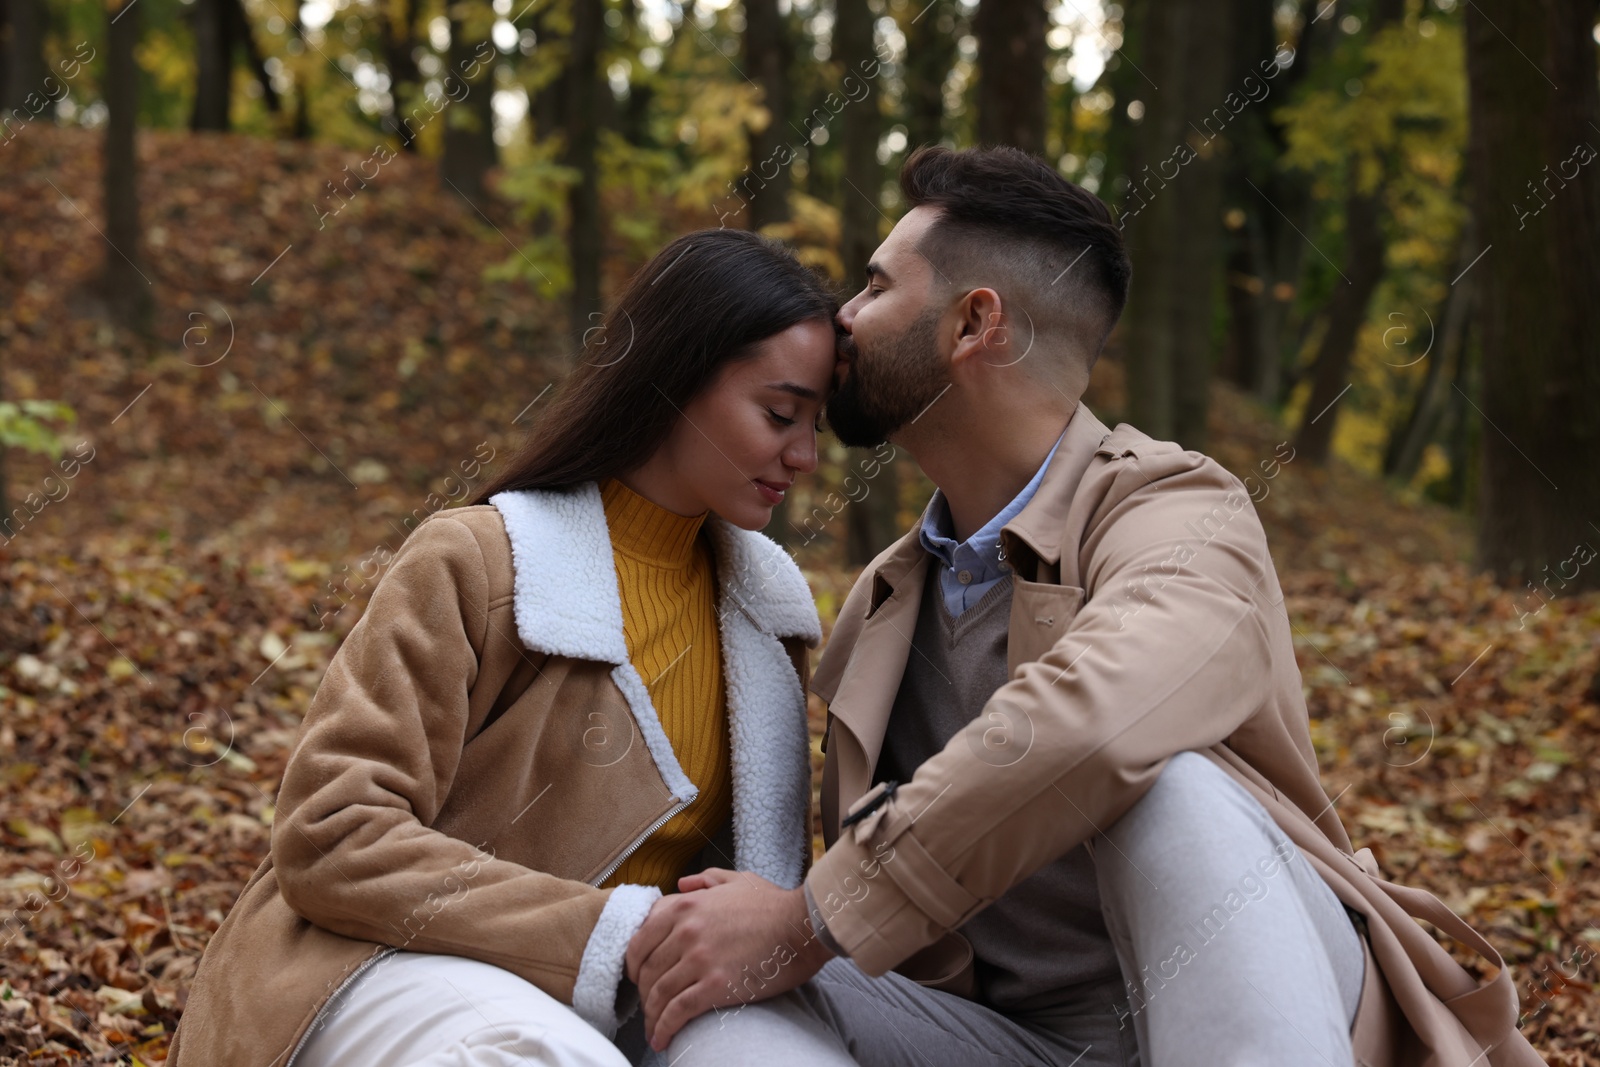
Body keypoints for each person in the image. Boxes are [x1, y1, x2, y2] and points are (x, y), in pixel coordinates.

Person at [624, 147, 1546, 1066]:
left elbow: (1099, 720)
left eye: (873, 286)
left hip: (1274, 999)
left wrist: (814, 915)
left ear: (973, 322)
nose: (843, 318)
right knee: (714, 998)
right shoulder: (886, 599)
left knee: (1170, 790)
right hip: (1023, 1043)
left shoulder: (1182, 511)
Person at [166, 228, 838, 1067]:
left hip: (634, 998)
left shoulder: (767, 614)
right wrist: (608, 930)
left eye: (816, 426)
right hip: (384, 959)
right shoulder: (481, 561)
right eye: (779, 414)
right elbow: (331, 834)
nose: (805, 456)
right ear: (675, 377)